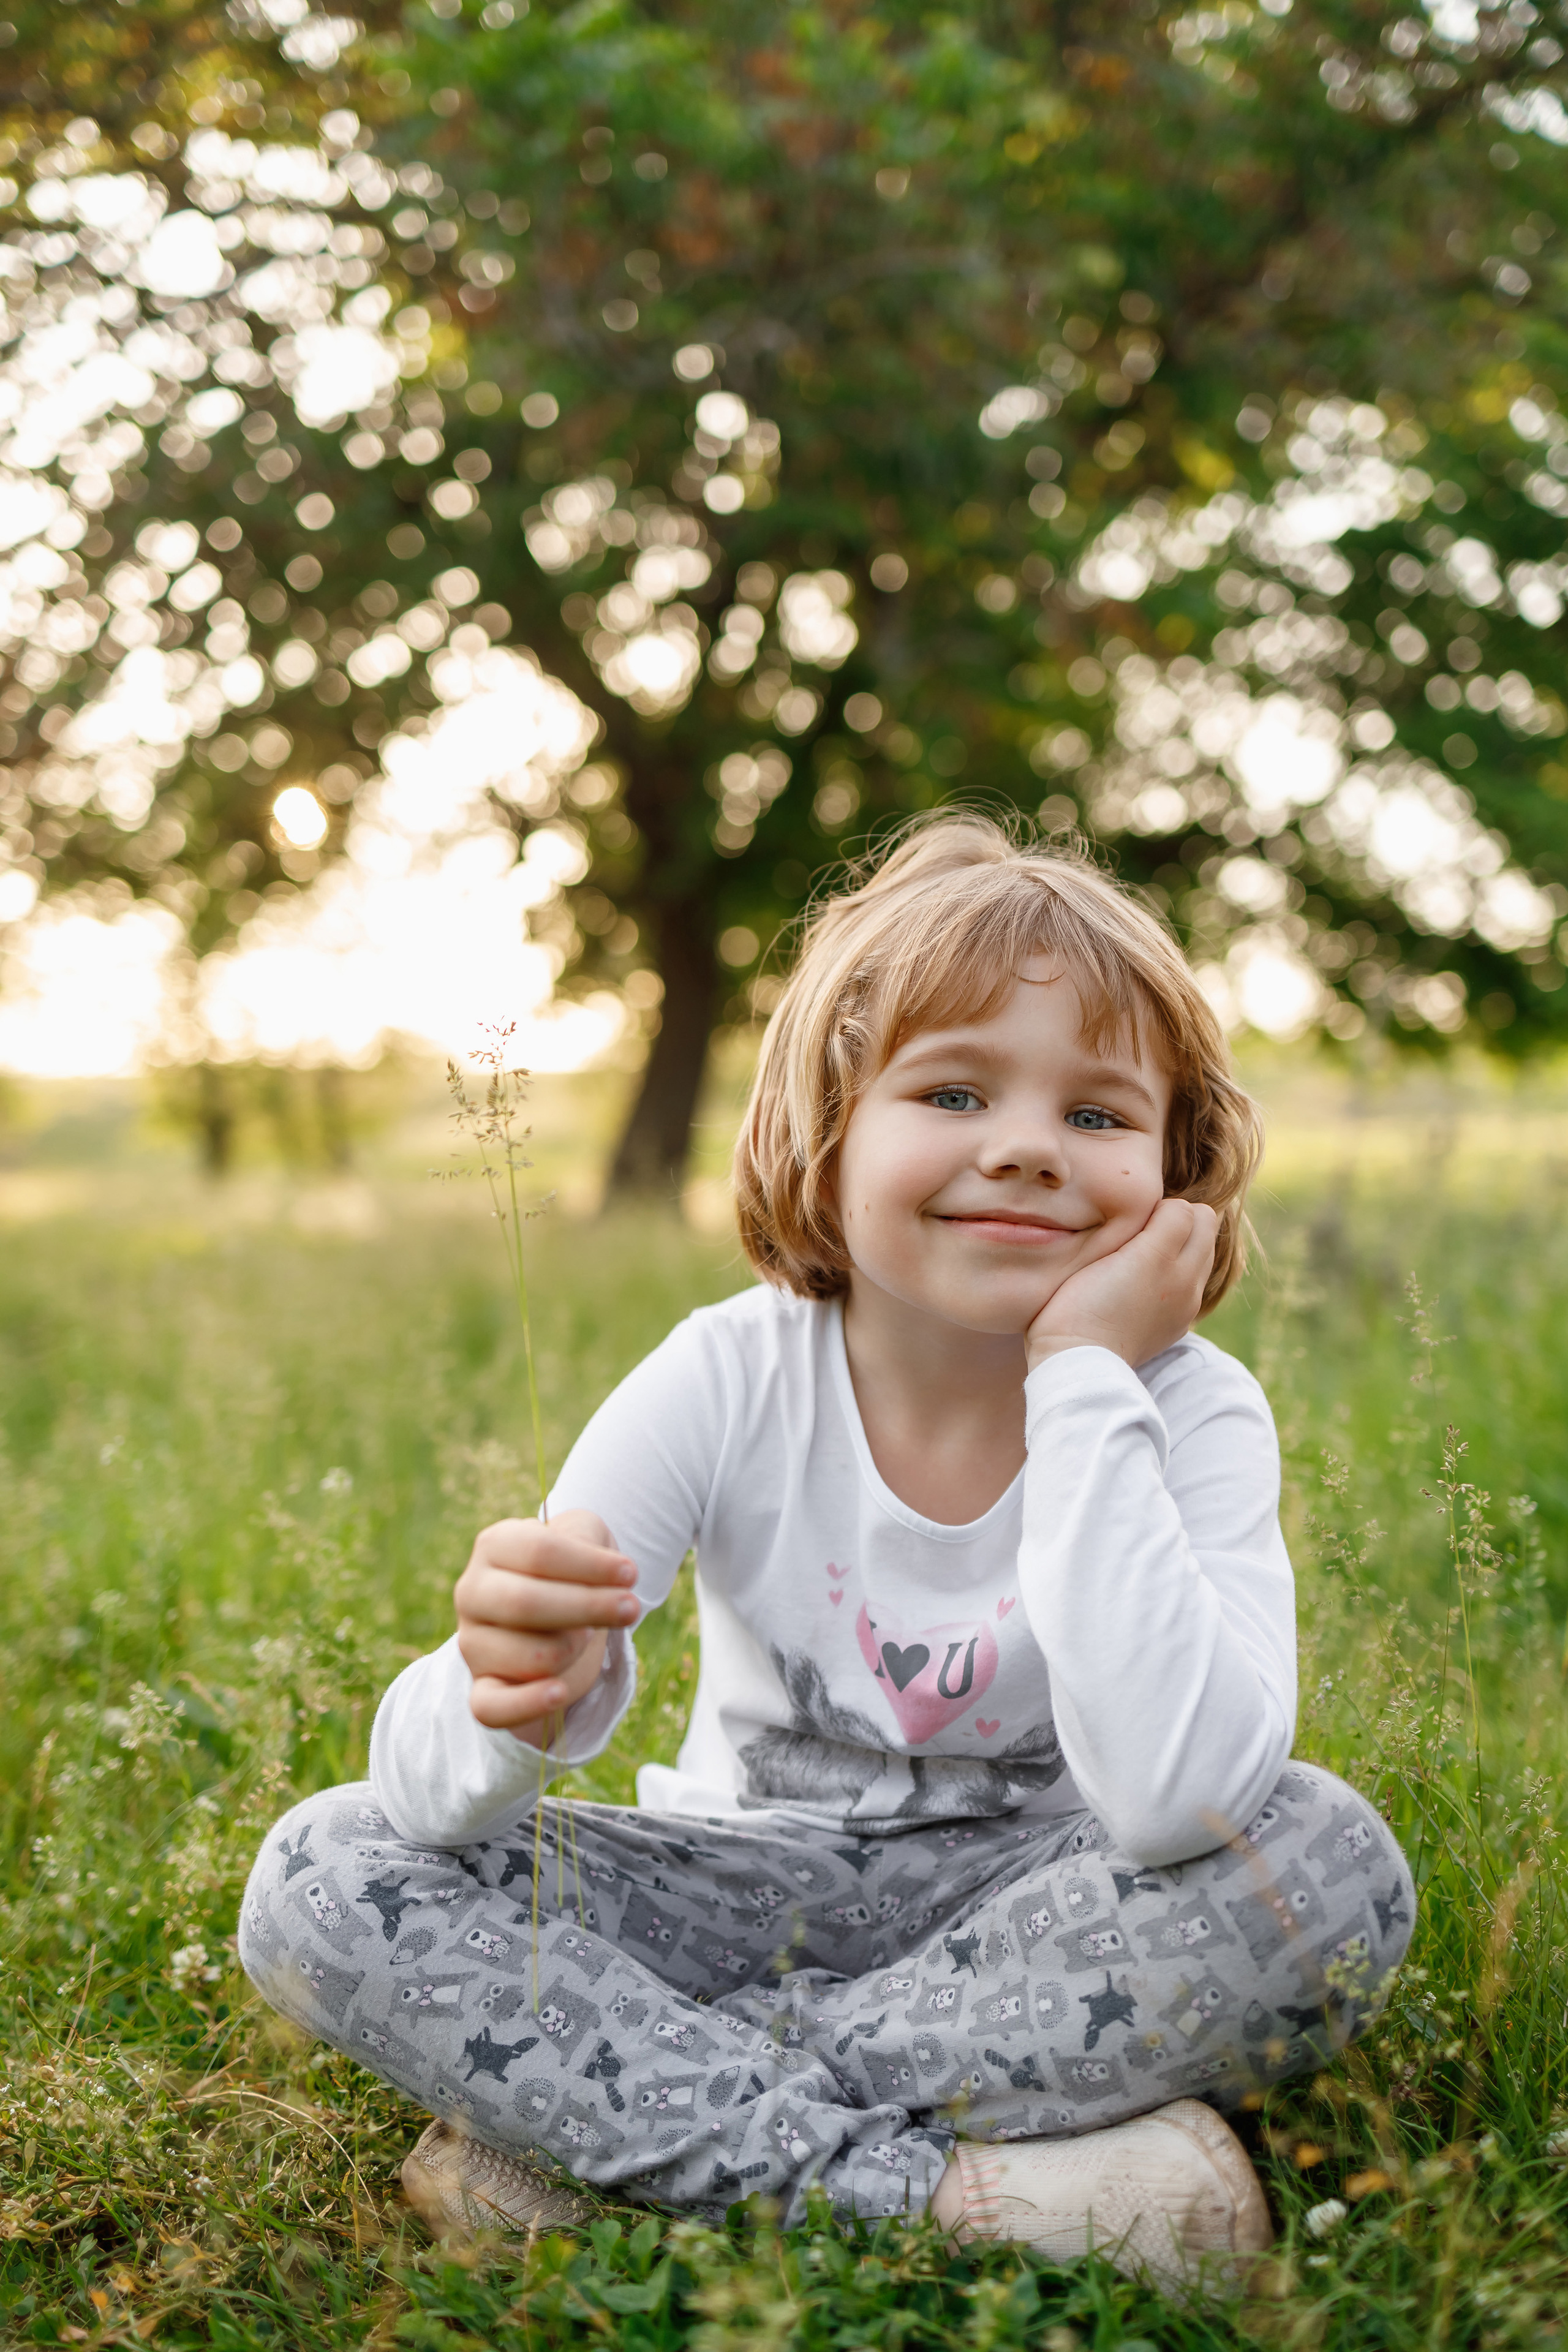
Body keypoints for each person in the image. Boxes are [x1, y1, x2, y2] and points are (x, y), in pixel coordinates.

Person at [239, 816, 1414, 2290]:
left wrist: (1084, 1380)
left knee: (1324, 1865)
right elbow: (432, 1794)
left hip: (1042, 1910)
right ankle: (959, 2200)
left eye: (1097, 1115)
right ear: (829, 1128)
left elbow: (1183, 1798)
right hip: (731, 1892)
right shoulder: (728, 1374)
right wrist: (500, 1695)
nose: (1024, 1147)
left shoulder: (1188, 1411)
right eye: (952, 1091)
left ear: (1177, 1177)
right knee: (323, 1870)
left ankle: (610, 2134)